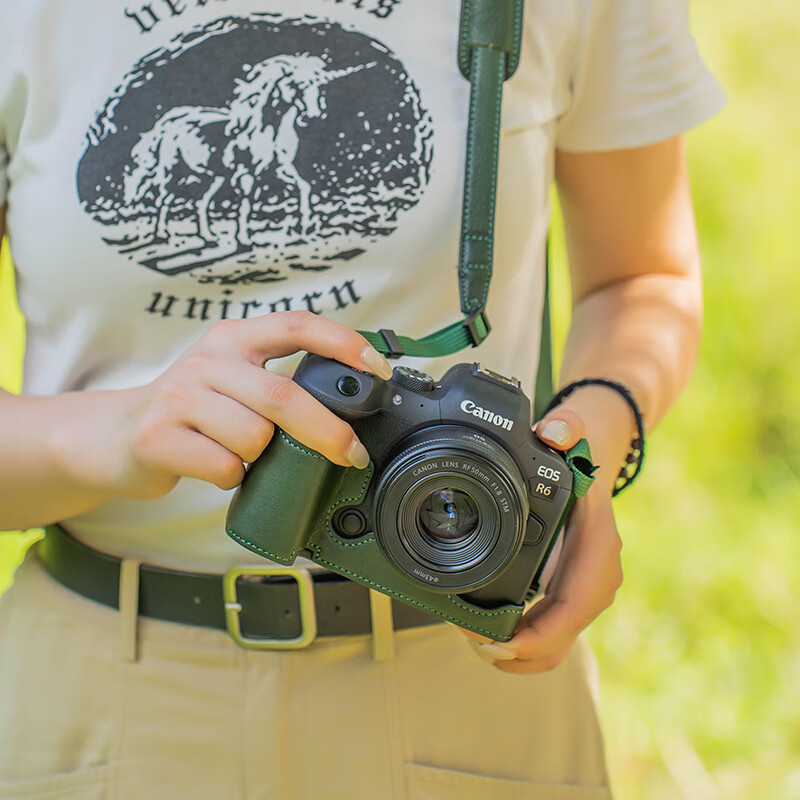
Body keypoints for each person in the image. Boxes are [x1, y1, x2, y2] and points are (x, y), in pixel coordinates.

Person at [0, 1, 724, 797]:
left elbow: (641, 277)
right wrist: (109, 433)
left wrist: (585, 455)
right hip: (99, 688)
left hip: (467, 666)